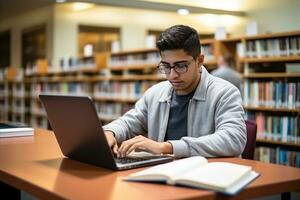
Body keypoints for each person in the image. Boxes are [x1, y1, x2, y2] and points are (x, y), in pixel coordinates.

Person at [104, 25, 246, 158]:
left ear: (200, 61)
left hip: (205, 176)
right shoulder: (155, 93)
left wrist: (166, 147)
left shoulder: (225, 93)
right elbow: (128, 123)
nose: (172, 75)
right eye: (166, 66)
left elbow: (233, 139)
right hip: (162, 174)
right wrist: (111, 132)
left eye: (181, 66)